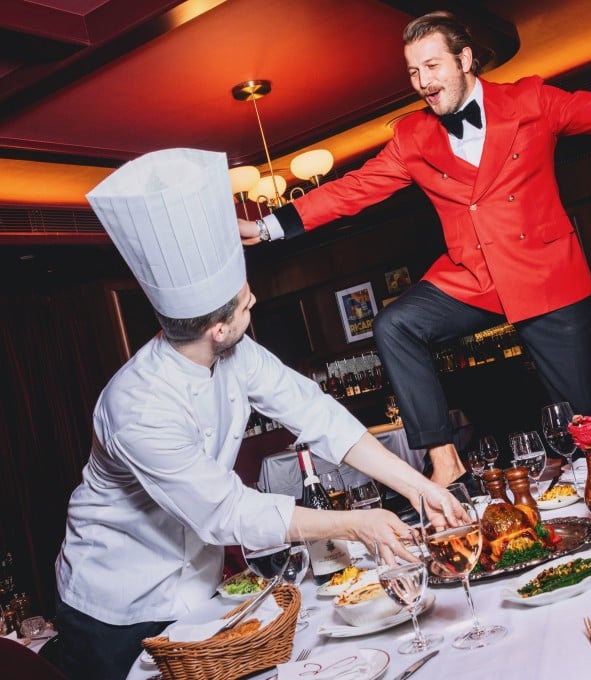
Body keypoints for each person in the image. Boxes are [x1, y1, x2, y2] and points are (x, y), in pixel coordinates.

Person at [238, 11, 591, 487]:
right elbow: (354, 189)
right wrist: (267, 228)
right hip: (472, 277)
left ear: (464, 60)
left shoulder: (529, 101)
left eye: (432, 65)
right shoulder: (413, 137)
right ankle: (444, 458)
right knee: (396, 325)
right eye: (413, 71)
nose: (422, 81)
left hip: (546, 276)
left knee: (589, 427)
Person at [53, 148, 460, 680]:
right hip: (116, 602)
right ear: (217, 329)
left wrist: (418, 487)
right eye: (245, 302)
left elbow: (317, 413)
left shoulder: (235, 351)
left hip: (194, 590)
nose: (255, 302)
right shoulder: (136, 405)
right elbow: (229, 514)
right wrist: (357, 524)